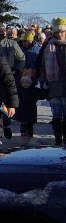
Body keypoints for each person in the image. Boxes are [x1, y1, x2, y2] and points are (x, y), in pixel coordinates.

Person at [34, 17, 66, 146]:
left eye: (62, 32)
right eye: (57, 32)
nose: (59, 34)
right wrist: (43, 80)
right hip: (53, 84)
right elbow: (41, 64)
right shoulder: (48, 45)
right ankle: (58, 139)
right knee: (57, 115)